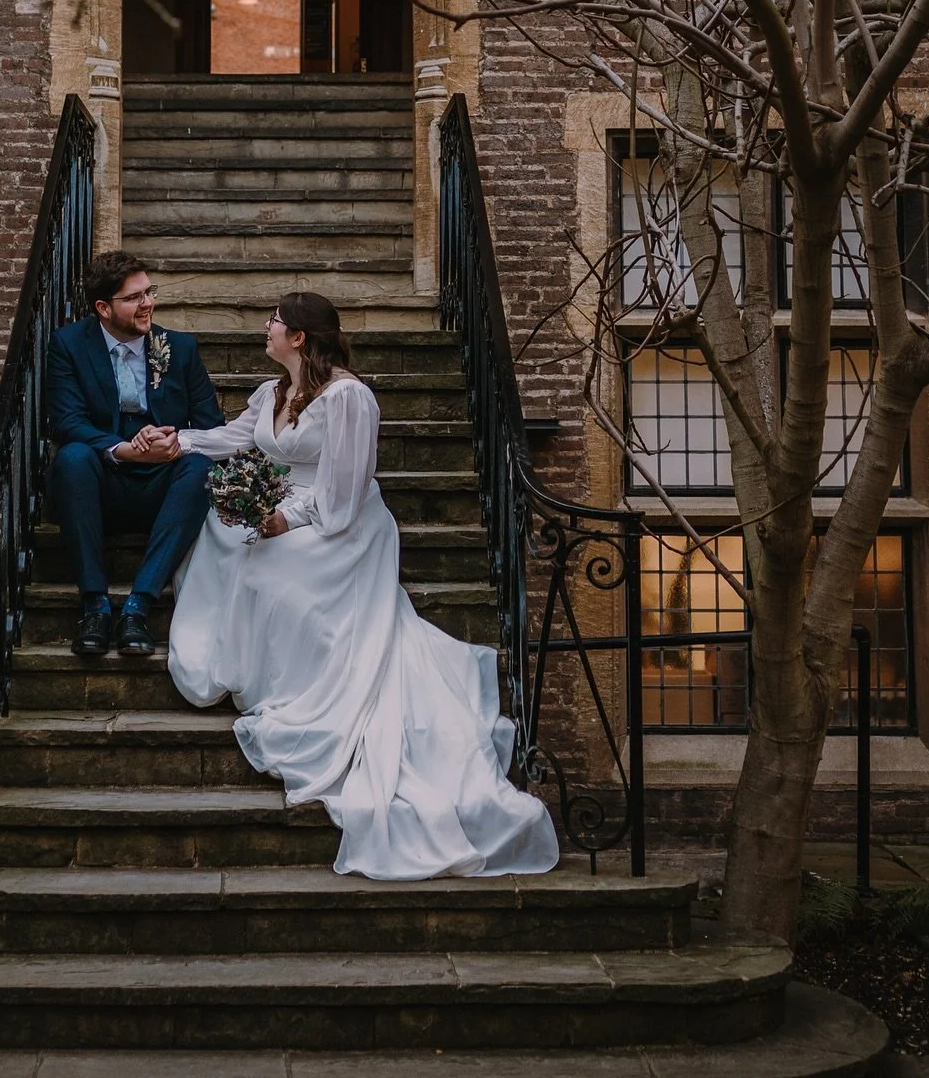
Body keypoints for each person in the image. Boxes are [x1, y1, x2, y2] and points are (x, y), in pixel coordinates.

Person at [167, 291, 560, 880]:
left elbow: (343, 497)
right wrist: (175, 441)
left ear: (299, 337)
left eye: (274, 321)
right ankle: (241, 659)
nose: (266, 327)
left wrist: (284, 520)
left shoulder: (349, 397)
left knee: (270, 566)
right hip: (287, 507)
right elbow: (234, 438)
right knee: (223, 536)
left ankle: (297, 681)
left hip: (339, 524)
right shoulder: (273, 391)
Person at [47, 250, 223, 658]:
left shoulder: (179, 347)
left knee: (202, 467)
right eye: (134, 298)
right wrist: (124, 450)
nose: (148, 304)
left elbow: (211, 425)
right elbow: (68, 421)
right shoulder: (69, 345)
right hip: (103, 484)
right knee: (72, 458)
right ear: (103, 308)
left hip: (164, 485)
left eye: (149, 292)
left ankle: (137, 607)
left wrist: (174, 442)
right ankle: (94, 607)